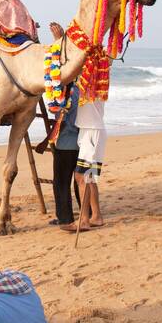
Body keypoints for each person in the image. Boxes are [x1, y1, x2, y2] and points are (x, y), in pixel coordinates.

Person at [47, 23, 80, 227]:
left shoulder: (66, 95)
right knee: (80, 180)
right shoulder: (80, 92)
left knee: (61, 182)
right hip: (80, 143)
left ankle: (65, 217)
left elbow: (63, 118)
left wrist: (57, 42)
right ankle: (88, 211)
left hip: (66, 143)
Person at [71, 96, 107, 228]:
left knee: (82, 176)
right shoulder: (85, 82)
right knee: (90, 177)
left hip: (92, 130)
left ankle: (84, 220)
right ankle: (96, 216)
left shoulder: (91, 82)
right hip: (87, 129)